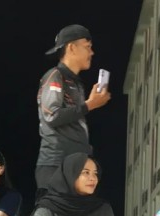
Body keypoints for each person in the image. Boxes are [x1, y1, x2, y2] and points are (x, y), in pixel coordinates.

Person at [36, 24, 111, 197]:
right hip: (56, 165)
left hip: (75, 166)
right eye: (87, 47)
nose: (92, 53)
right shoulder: (55, 75)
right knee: (52, 213)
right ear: (71, 47)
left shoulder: (75, 83)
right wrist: (90, 104)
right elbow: (52, 115)